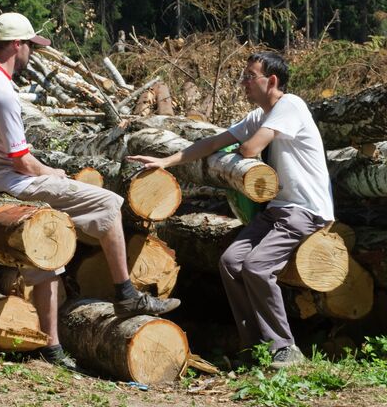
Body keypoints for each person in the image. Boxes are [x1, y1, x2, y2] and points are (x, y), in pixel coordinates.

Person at [0, 12, 180, 367]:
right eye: (30, 46)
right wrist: (54, 173)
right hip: (13, 182)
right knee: (108, 203)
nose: (32, 53)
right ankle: (126, 294)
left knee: (47, 252)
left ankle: (52, 348)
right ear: (17, 45)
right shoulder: (1, 93)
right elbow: (23, 162)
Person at [128, 52, 334, 368]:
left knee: (256, 267)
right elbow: (211, 143)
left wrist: (241, 150)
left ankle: (285, 347)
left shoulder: (290, 106)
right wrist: (166, 161)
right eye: (243, 76)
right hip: (279, 210)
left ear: (273, 81)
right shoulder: (258, 116)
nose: (243, 83)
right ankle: (254, 346)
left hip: (305, 209)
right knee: (231, 261)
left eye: (250, 76)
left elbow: (251, 149)